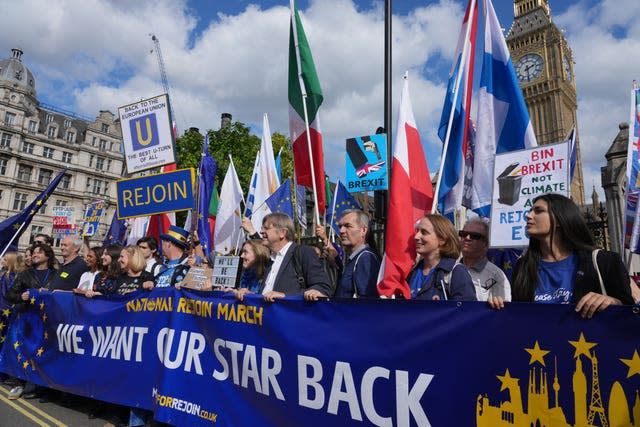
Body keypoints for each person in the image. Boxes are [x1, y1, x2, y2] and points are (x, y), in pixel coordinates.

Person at [492, 194, 634, 317]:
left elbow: (630, 311)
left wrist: (613, 302)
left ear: (559, 219)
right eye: (530, 211)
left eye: (538, 211)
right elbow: (520, 315)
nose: (528, 215)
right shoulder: (523, 266)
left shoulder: (604, 261)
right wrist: (499, 307)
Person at [6, 243, 57, 400]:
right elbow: (10, 295)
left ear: (47, 256)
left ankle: (38, 386)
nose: (34, 255)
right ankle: (22, 383)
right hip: (28, 319)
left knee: (42, 353)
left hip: (48, 320)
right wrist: (20, 297)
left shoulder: (56, 274)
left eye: (38, 253)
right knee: (25, 351)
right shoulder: (25, 274)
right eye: (33, 252)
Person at [259, 212, 333, 301]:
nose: (261, 232)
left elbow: (323, 287)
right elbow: (266, 292)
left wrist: (286, 296)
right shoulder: (271, 259)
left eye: (266, 228)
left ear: (282, 233)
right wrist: (250, 295)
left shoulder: (303, 252)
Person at [407, 214, 477, 301]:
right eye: (417, 231)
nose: (416, 236)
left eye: (424, 232)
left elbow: (467, 312)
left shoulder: (456, 272)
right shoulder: (411, 271)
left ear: (442, 240)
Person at [459, 218, 511, 302]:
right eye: (463, 234)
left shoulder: (497, 276)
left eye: (474, 236)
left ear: (486, 244)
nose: (467, 238)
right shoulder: (449, 270)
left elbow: (504, 310)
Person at [334, 209, 380, 298]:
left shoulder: (365, 258)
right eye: (340, 227)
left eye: (348, 226)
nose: (341, 231)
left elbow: (366, 301)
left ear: (363, 230)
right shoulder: (357, 258)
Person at [86, 246, 154, 297]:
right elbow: (111, 297)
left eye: (122, 257)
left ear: (132, 258)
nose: (118, 260)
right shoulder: (119, 277)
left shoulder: (147, 277)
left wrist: (151, 286)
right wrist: (97, 294)